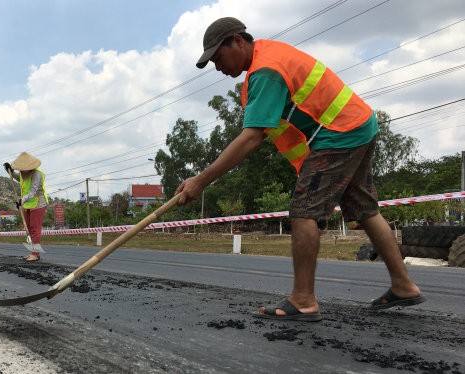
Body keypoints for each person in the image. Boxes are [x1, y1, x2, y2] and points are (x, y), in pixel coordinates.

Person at [176, 17, 425, 321]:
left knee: (304, 210)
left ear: (238, 41)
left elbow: (251, 137)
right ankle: (403, 285)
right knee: (365, 209)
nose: (218, 67)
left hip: (339, 133)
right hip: (358, 125)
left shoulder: (266, 70)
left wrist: (200, 181)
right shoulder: (267, 58)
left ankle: (304, 300)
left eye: (219, 57)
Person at [4, 152, 48, 262]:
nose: (21, 171)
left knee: (34, 228)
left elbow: (33, 192)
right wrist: (10, 171)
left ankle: (35, 254)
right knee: (28, 228)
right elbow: (19, 178)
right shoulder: (23, 173)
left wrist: (21, 200)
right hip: (27, 204)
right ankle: (33, 253)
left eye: (23, 169)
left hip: (38, 203)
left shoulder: (37, 174)